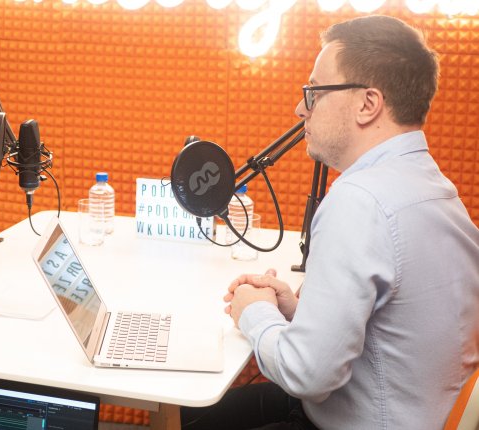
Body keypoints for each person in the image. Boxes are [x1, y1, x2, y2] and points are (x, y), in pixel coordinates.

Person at [182, 15, 479, 430]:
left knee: (187, 415)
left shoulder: (359, 200)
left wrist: (254, 312)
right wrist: (298, 310)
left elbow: (307, 374)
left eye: (314, 92)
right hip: (410, 409)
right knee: (198, 413)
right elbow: (397, 324)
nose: (300, 108)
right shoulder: (434, 186)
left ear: (367, 104)